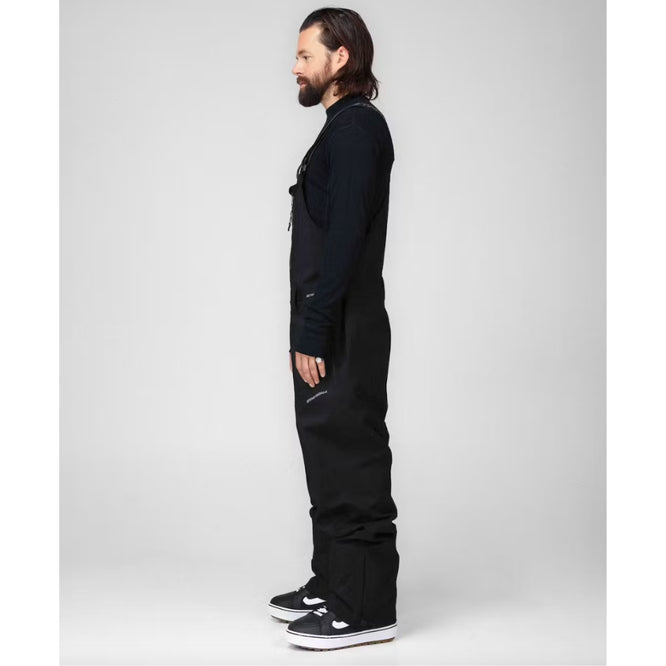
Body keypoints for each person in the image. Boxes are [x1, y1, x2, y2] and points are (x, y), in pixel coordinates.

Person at [268, 8, 400, 651]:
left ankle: (364, 607)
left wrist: (315, 328)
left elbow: (345, 239)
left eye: (305, 55)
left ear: (339, 57)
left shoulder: (355, 131)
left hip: (343, 324)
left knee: (350, 456)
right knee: (326, 453)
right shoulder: (341, 129)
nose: (295, 66)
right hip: (328, 320)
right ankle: (333, 582)